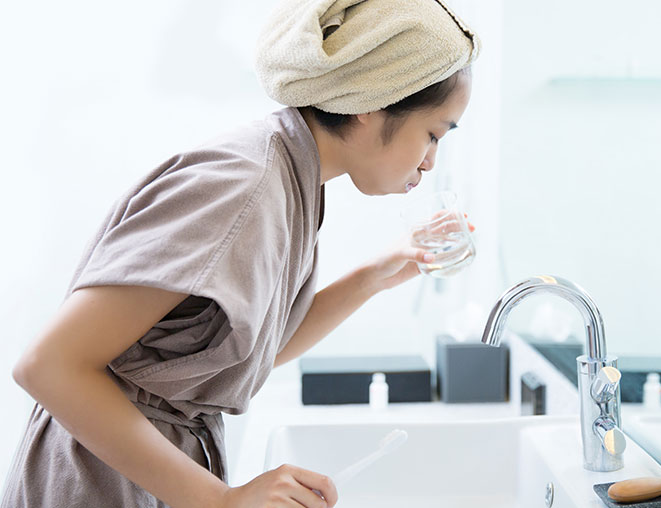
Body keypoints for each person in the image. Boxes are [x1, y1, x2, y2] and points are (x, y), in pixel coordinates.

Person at [2, 0, 479, 507]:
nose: (430, 163)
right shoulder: (243, 186)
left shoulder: (291, 176)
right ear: (372, 99)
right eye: (433, 134)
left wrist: (377, 273)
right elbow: (49, 365)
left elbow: (253, 353)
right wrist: (220, 500)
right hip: (96, 483)